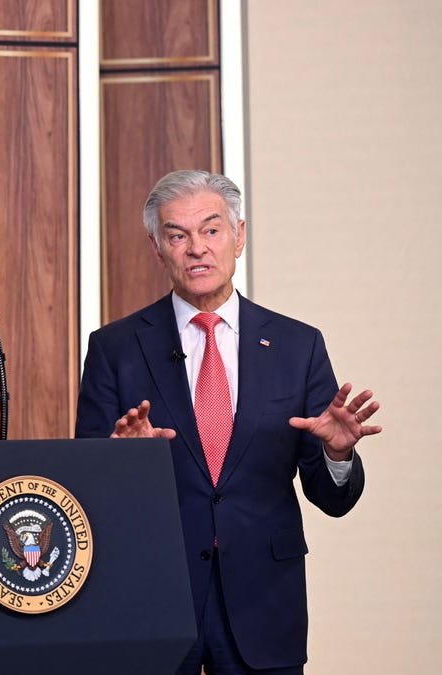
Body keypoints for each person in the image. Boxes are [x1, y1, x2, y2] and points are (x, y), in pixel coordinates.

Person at [75, 170, 382, 674]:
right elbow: (85, 494)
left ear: (238, 236)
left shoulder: (298, 346)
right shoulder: (115, 348)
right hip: (153, 595)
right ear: (157, 248)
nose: (196, 248)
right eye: (178, 235)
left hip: (265, 599)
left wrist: (337, 453)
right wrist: (122, 463)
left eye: (211, 230)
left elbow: (333, 499)